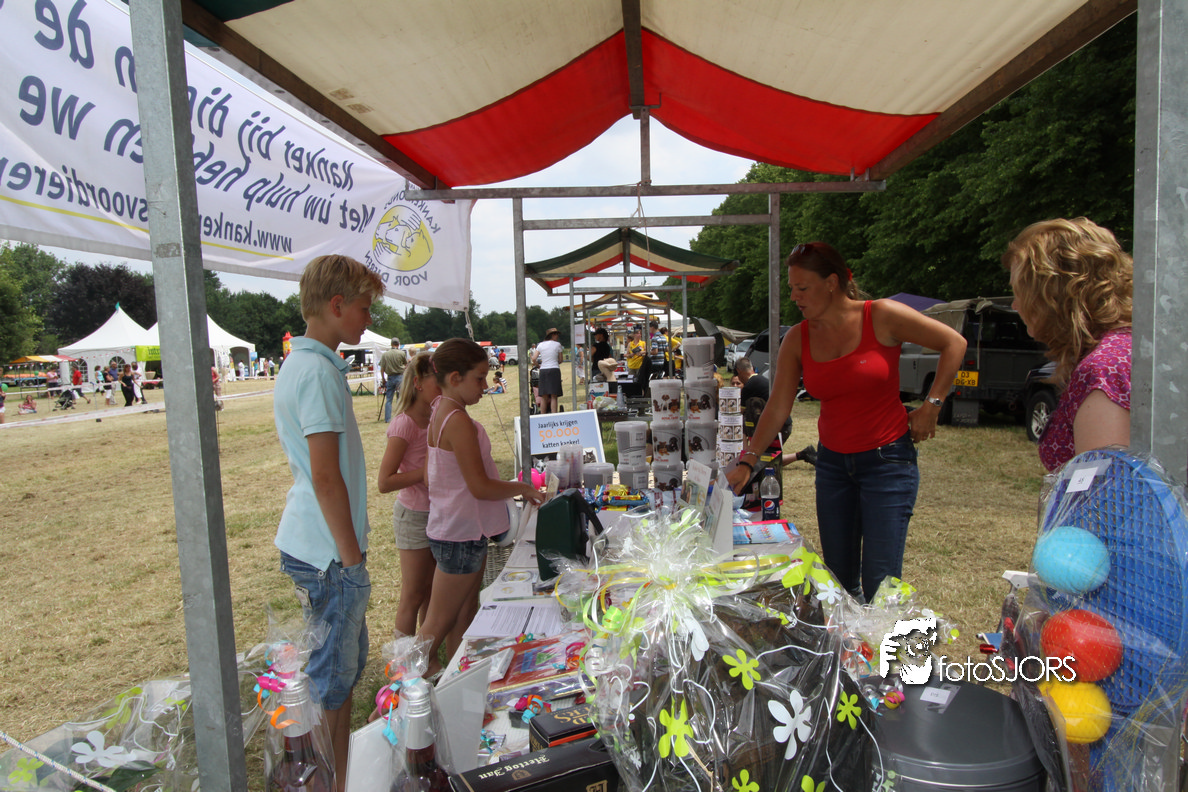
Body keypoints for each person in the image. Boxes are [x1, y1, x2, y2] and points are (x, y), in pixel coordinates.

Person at [727, 242, 966, 602]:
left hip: (887, 464)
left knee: (880, 584)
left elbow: (954, 343)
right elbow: (777, 405)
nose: (794, 296)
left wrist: (932, 405)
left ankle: (886, 638)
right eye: (791, 288)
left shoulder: (880, 315)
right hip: (833, 467)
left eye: (802, 288)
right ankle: (850, 640)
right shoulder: (798, 338)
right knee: (838, 585)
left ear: (832, 283)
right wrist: (748, 460)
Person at [273, 254, 383, 791]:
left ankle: (337, 780)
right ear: (337, 305)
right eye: (364, 308)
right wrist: (351, 557)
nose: (368, 319)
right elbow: (324, 476)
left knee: (339, 681)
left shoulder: (307, 364)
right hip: (328, 553)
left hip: (323, 547)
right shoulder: (317, 371)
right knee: (330, 692)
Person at [418, 338, 545, 674]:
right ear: (454, 378)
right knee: (435, 627)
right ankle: (400, 689)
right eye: (479, 378)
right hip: (460, 534)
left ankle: (459, 675)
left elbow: (436, 477)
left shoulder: (441, 410)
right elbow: (480, 486)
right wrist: (522, 488)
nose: (485, 386)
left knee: (463, 616)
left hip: (458, 530)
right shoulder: (456, 420)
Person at [1002, 217, 1132, 471]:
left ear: (1053, 295)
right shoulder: (1125, 348)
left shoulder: (1103, 370)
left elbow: (1105, 490)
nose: (1015, 305)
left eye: (1020, 292)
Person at [378, 352, 441, 637]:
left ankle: (427, 656)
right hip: (414, 516)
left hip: (438, 513)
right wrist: (426, 472)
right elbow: (384, 482)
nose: (443, 385)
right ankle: (402, 658)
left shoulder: (437, 416)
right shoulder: (404, 423)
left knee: (433, 592)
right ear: (418, 383)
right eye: (436, 380)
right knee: (413, 594)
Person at [734, 358, 814, 465]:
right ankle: (803, 454)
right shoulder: (761, 380)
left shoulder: (749, 386)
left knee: (761, 462)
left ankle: (804, 454)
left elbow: (739, 414)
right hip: (784, 424)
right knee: (765, 459)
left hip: (778, 427)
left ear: (739, 371)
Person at [531, 328, 563, 414]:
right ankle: (554, 414)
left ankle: (543, 415)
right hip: (554, 369)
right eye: (557, 334)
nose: (558, 336)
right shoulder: (558, 345)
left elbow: (533, 358)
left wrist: (538, 365)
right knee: (554, 396)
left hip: (544, 370)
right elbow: (560, 360)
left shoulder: (540, 345)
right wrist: (555, 361)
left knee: (544, 396)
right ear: (552, 335)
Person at [379, 336, 409, 423]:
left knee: (389, 399)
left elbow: (382, 368)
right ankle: (399, 416)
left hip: (390, 377)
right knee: (400, 398)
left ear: (391, 344)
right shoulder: (401, 353)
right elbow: (406, 365)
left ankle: (387, 418)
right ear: (398, 344)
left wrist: (383, 379)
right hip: (400, 376)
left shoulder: (385, 354)